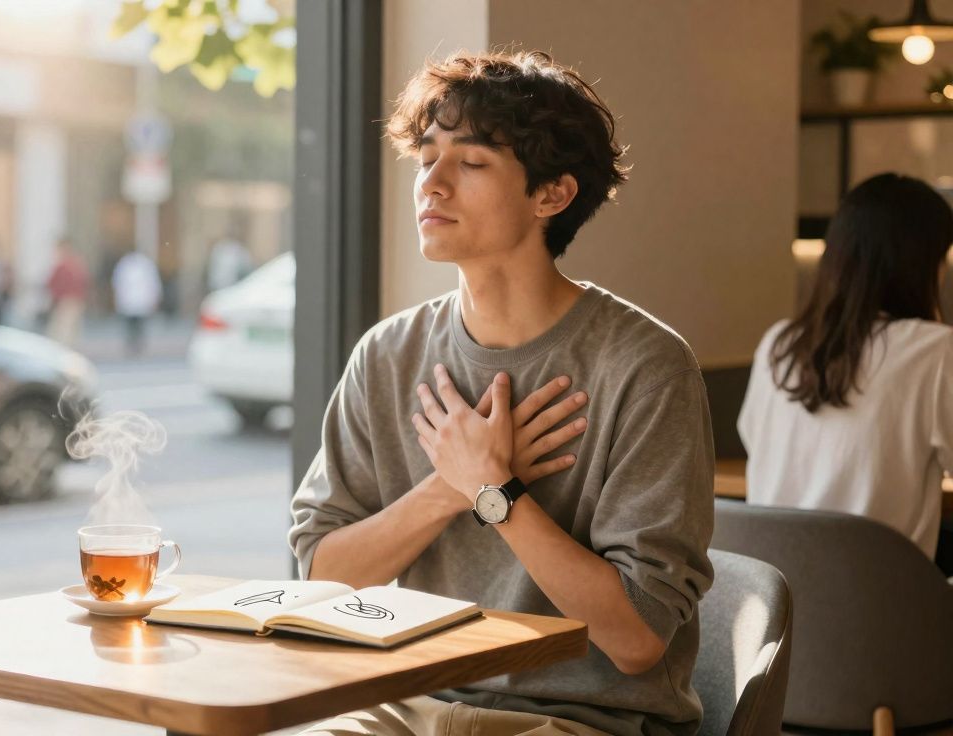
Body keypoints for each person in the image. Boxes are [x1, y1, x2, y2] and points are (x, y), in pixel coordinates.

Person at [289, 50, 714, 736]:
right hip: (406, 705)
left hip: (583, 720)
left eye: (472, 162)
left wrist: (496, 492)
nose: (432, 182)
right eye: (426, 156)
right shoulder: (387, 356)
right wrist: (448, 486)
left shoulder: (645, 366)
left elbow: (637, 643)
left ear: (553, 194)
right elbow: (322, 578)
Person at [739, 172, 953, 576]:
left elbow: (755, 444)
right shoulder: (934, 349)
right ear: (925, 264)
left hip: (770, 615)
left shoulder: (780, 344)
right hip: (879, 613)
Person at [112, 249, 162, 357]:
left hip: (138, 301)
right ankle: (133, 345)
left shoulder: (142, 265)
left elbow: (152, 284)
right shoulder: (128, 265)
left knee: (138, 326)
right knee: (132, 326)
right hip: (131, 301)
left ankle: (137, 345)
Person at [45, 236, 91, 346]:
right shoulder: (77, 263)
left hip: (66, 301)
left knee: (63, 331)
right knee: (70, 331)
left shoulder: (65, 265)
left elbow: (52, 283)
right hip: (75, 300)